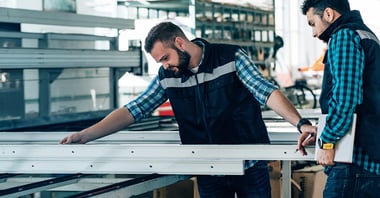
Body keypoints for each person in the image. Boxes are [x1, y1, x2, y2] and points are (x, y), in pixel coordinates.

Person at [61, 21, 315, 198]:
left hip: (248, 164)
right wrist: (86, 135)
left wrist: (301, 123)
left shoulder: (230, 58)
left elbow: (266, 91)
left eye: (165, 58)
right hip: (208, 168)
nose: (164, 66)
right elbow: (134, 109)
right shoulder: (168, 75)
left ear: (180, 43)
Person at [297, 0, 380, 197]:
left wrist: (327, 141)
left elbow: (345, 98)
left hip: (355, 162)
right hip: (368, 157)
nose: (313, 33)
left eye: (312, 23)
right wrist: (322, 131)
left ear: (328, 13)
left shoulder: (344, 36)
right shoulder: (366, 34)